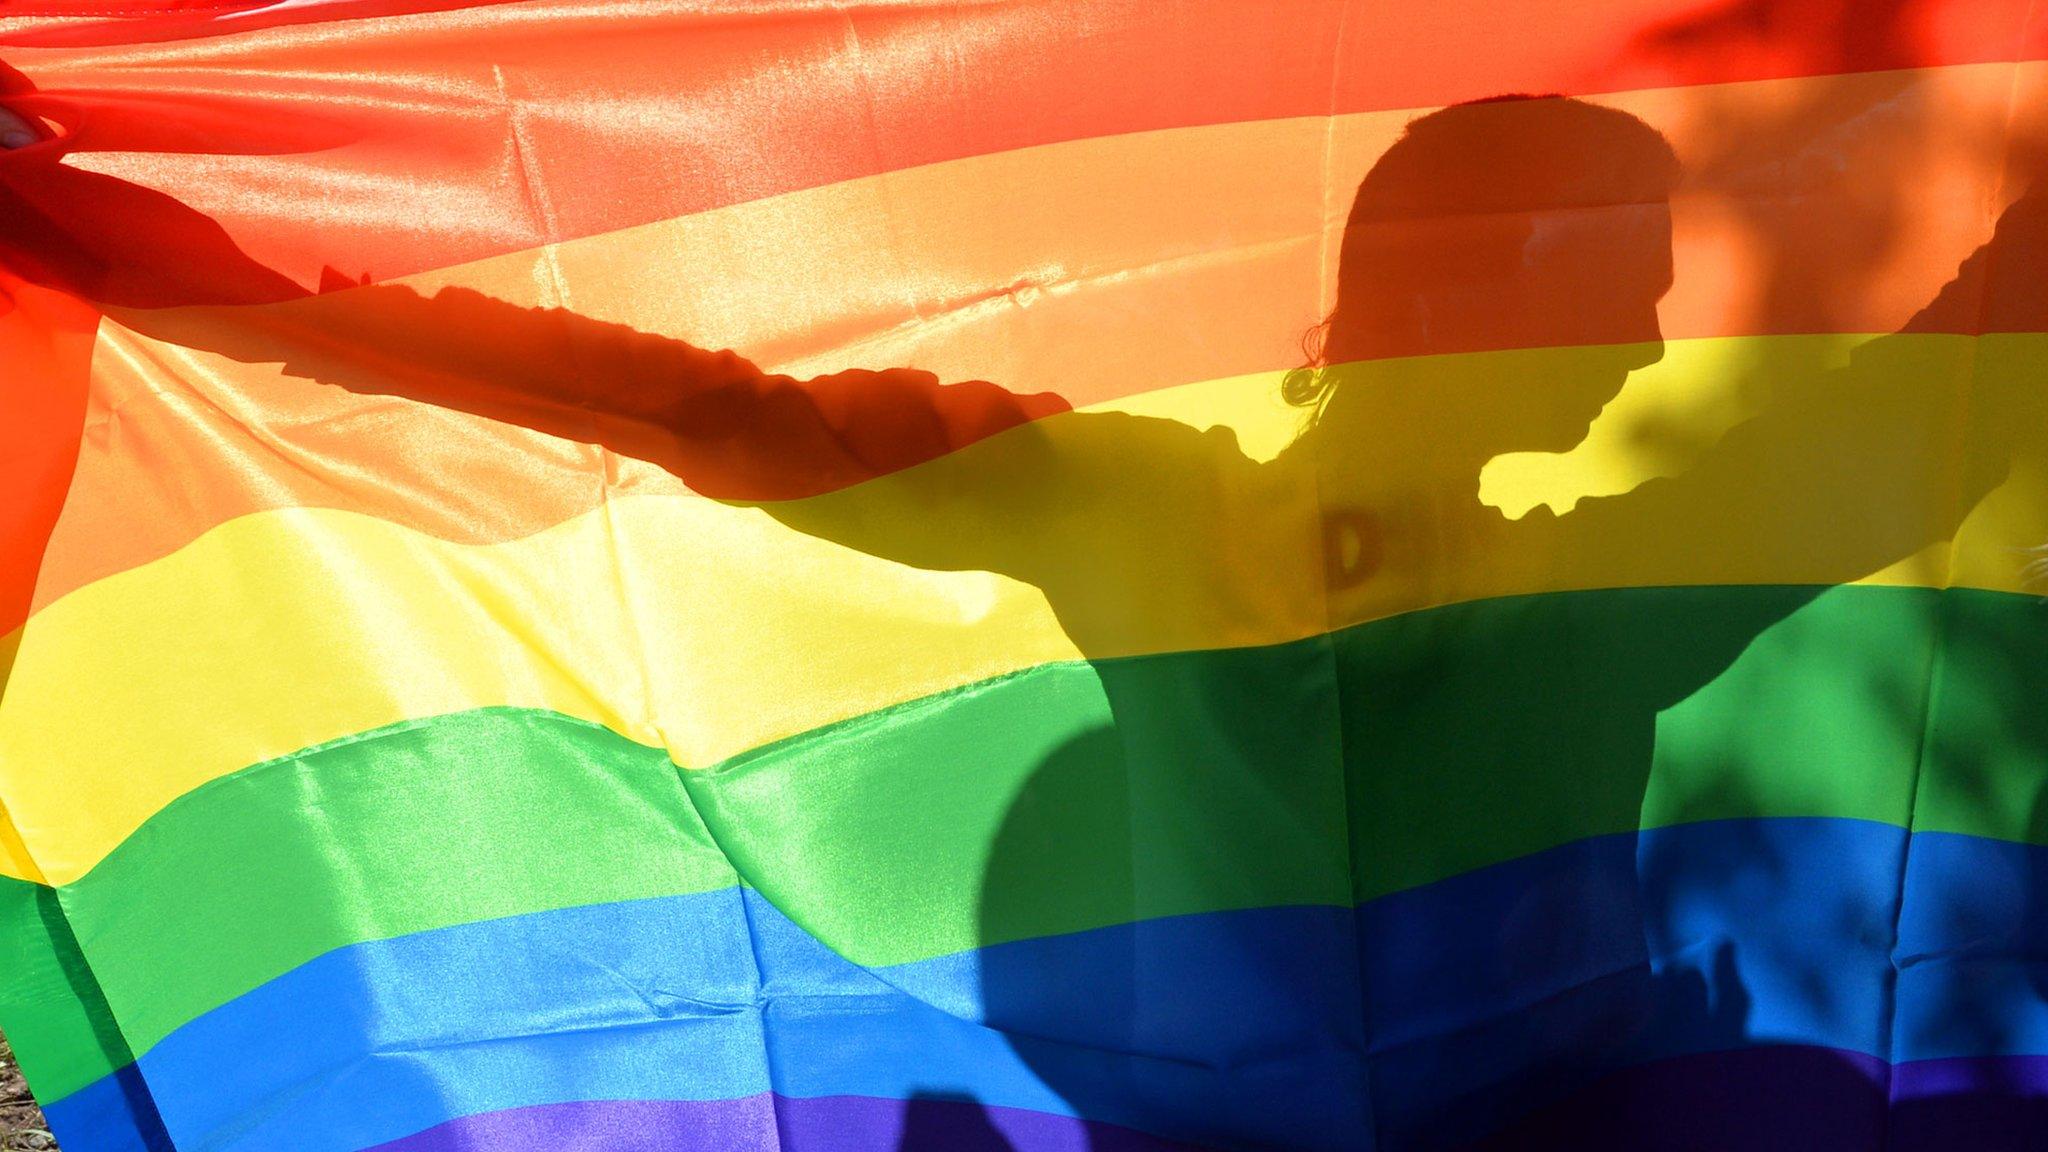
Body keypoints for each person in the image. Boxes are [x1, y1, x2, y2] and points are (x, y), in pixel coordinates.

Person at [4, 88, 2042, 1148]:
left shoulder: (1581, 569)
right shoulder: (1143, 503)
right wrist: (223, 278)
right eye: (1620, 275)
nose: (1651, 332)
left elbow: (1922, 424)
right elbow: (709, 412)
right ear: (1471, 279)